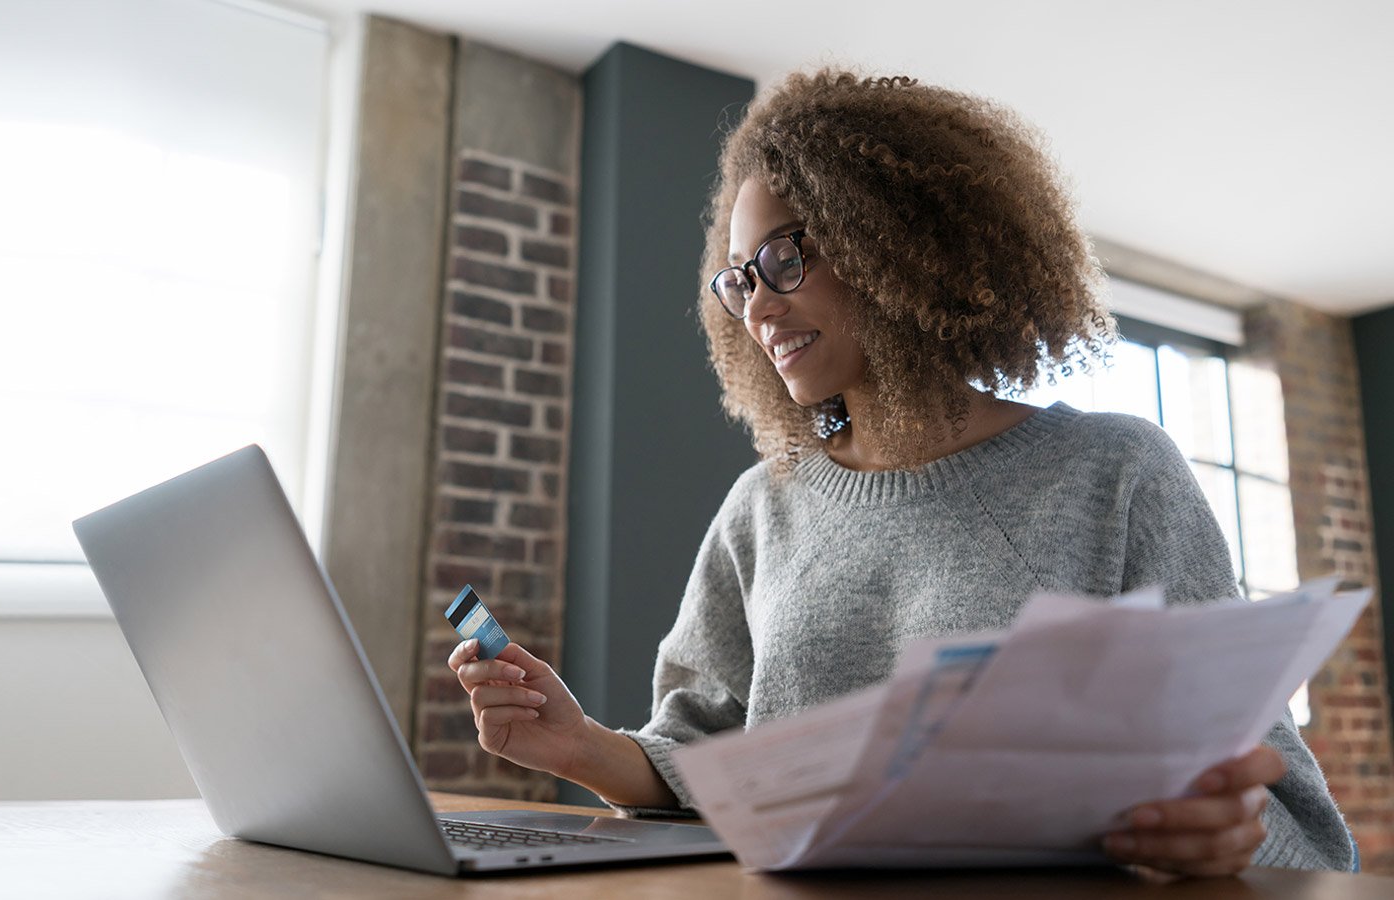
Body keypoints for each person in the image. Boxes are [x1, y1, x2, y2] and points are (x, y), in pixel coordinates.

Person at [448, 69, 1355, 876]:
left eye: (785, 256)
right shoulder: (762, 509)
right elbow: (706, 764)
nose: (758, 302)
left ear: (895, 241)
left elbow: (1288, 816)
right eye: (737, 278)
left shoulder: (1116, 475)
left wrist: (1221, 838)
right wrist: (580, 749)